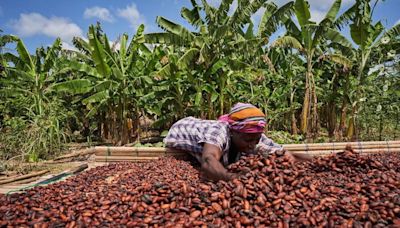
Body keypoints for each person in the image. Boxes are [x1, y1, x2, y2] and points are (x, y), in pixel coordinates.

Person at [164, 103, 310, 181]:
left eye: (256, 139)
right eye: (247, 140)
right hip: (181, 128)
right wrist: (232, 178)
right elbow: (208, 161)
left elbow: (284, 153)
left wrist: (322, 161)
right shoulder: (219, 132)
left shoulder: (254, 136)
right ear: (233, 131)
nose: (252, 144)